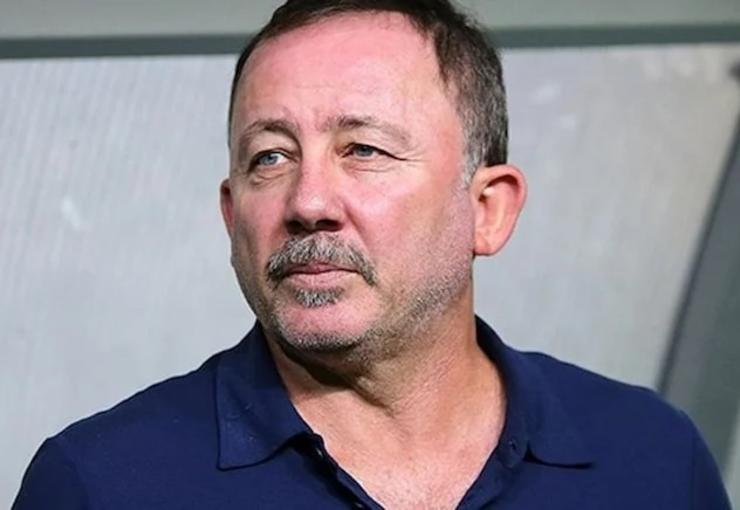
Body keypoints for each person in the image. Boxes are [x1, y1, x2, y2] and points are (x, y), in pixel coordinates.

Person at [13, 1, 731, 509]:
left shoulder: (653, 459)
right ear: (232, 218)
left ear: (488, 210)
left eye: (363, 149)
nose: (307, 201)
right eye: (270, 157)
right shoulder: (100, 484)